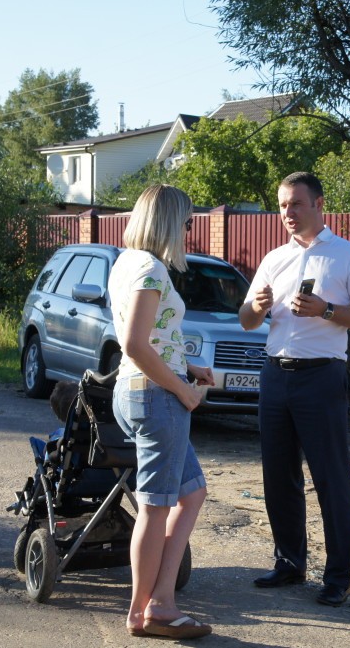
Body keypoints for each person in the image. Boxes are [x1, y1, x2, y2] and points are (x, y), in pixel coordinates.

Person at [239, 171, 350, 607]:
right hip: (275, 373)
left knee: (331, 478)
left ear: (319, 204)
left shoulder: (348, 256)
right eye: (282, 205)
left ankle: (337, 578)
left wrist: (327, 310)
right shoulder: (274, 258)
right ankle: (289, 562)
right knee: (278, 475)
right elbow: (246, 320)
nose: (288, 213)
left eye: (296, 203)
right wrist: (256, 307)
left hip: (321, 375)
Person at [108, 184, 215, 640]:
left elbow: (150, 338)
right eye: (187, 222)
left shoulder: (127, 262)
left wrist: (187, 367)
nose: (190, 231)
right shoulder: (151, 269)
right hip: (156, 396)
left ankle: (162, 600)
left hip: (135, 391)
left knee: (192, 493)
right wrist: (184, 390)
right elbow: (135, 344)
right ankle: (144, 612)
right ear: (170, 222)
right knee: (156, 506)